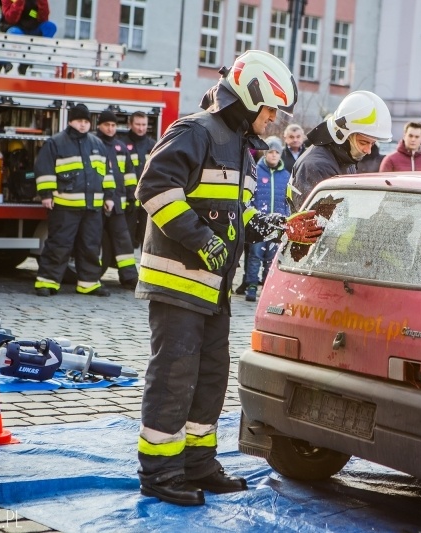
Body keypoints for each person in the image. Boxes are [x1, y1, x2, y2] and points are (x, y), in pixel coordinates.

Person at [133, 50, 318, 507]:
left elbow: (243, 214)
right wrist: (203, 242)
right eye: (271, 110)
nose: (275, 120)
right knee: (174, 378)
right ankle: (160, 472)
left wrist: (282, 227)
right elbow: (153, 189)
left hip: (213, 289)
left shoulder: (241, 146)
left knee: (210, 377)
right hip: (178, 284)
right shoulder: (195, 131)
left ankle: (197, 463)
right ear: (251, 97)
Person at [34, 103, 115, 297]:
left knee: (91, 246)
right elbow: (44, 169)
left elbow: (107, 173)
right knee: (59, 245)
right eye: (79, 121)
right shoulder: (56, 142)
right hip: (64, 206)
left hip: (92, 208)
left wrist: (109, 196)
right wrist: (46, 195)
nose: (83, 125)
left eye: (86, 121)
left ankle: (88, 283)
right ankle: (47, 282)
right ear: (70, 121)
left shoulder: (97, 144)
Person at [290, 90, 392, 210]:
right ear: (344, 136)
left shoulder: (345, 158)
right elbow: (320, 221)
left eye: (372, 144)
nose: (368, 150)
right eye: (363, 142)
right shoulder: (316, 167)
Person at [96, 110, 138, 289]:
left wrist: (131, 198)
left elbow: (130, 174)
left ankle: (129, 277)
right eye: (107, 125)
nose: (110, 128)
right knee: (93, 240)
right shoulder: (94, 144)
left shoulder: (120, 147)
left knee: (123, 241)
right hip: (97, 203)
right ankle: (91, 276)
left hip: (118, 205)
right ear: (99, 126)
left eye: (113, 125)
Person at [244, 136, 290, 302]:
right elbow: (250, 195)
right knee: (255, 254)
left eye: (277, 152)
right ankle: (251, 285)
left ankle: (267, 286)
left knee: (272, 257)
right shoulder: (256, 171)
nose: (273, 155)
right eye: (270, 151)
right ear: (265, 153)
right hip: (258, 221)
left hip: (276, 223)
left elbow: (287, 199)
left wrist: (286, 217)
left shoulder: (285, 176)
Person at [0, 0, 56, 75]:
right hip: (15, 27)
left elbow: (44, 18)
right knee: (14, 34)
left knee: (50, 27)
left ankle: (27, 61)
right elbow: (10, 19)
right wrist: (19, 2)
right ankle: (1, 63)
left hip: (33, 27)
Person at [122, 111, 156, 248]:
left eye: (144, 125)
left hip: (146, 199)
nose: (141, 128)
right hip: (127, 199)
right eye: (138, 124)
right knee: (125, 236)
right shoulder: (121, 145)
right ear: (130, 124)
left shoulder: (154, 145)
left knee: (146, 236)